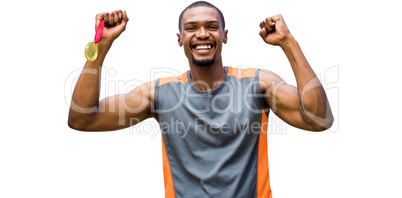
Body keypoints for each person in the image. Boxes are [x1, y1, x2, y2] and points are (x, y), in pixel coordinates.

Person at [68, 1, 334, 197]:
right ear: (180, 38)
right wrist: (101, 47)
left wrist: (288, 42)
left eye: (212, 27)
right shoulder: (161, 94)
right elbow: (83, 118)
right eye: (191, 28)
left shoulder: (258, 84)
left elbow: (318, 119)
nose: (202, 34)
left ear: (225, 36)